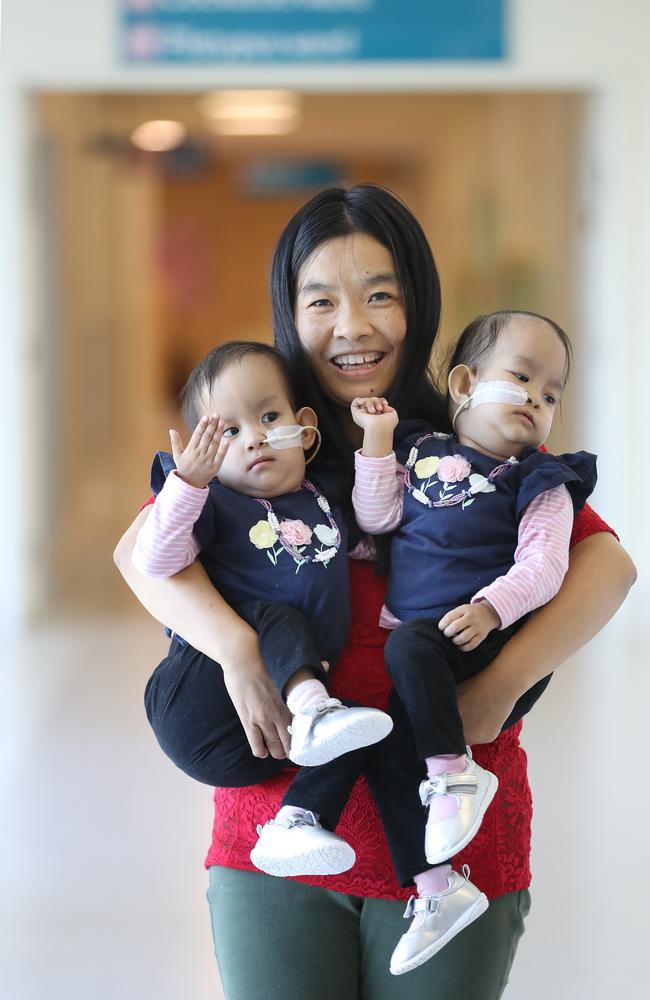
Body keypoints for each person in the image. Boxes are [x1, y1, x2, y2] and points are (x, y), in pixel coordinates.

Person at [114, 184, 635, 1000]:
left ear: (418, 302)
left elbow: (608, 568)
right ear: (291, 311)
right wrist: (239, 650)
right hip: (278, 839)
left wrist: (496, 690)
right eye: (320, 299)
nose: (351, 326)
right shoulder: (264, 433)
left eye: (380, 295)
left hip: (450, 851)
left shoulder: (467, 437)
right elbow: (136, 553)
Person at [349, 309, 596, 973]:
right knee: (384, 753)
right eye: (521, 377)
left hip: (484, 631)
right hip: (427, 643)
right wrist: (377, 444)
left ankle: (455, 774)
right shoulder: (420, 449)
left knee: (406, 653)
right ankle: (437, 889)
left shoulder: (541, 480)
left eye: (551, 394)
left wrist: (490, 609)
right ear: (464, 381)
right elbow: (377, 518)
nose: (537, 401)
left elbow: (545, 566)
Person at [132, 338, 394, 877]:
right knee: (275, 615)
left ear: (303, 425)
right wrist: (188, 484)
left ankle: (293, 824)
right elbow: (152, 559)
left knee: (360, 731)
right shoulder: (214, 505)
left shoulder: (322, 501)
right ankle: (313, 706)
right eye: (228, 432)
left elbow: (379, 528)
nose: (254, 438)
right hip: (196, 697)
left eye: (269, 416)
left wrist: (376, 444)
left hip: (262, 737)